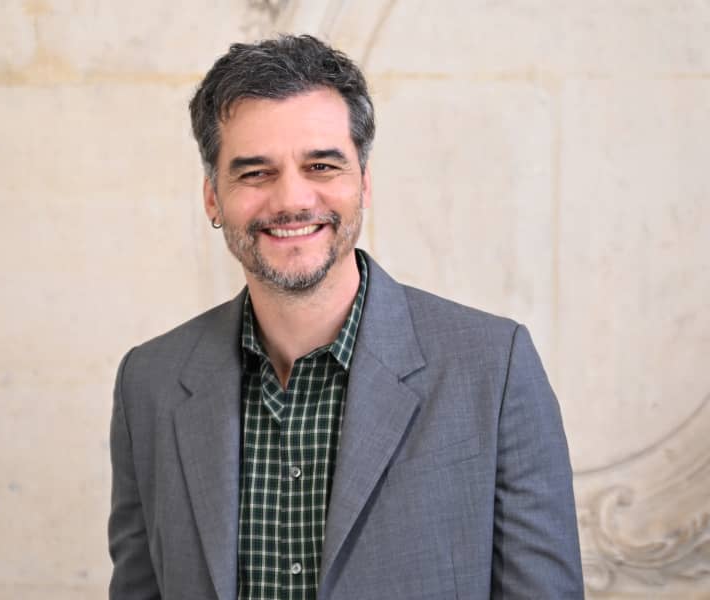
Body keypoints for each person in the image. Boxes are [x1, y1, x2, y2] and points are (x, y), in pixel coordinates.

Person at [108, 34, 583, 600]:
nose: (292, 200)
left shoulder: (493, 369)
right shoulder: (149, 383)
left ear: (364, 183)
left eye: (321, 165)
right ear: (213, 196)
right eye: (255, 173)